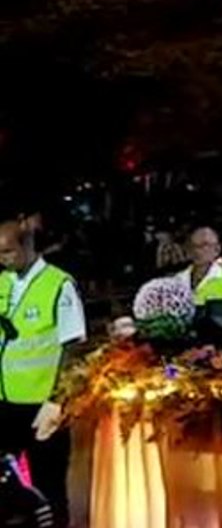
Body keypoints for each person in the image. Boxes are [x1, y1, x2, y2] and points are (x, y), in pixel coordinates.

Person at [0, 220, 86, 528]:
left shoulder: (59, 284)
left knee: (49, 487)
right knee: (7, 486)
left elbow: (73, 346)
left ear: (28, 246)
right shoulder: (3, 282)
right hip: (5, 402)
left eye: (8, 251)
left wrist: (57, 400)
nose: (3, 259)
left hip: (43, 406)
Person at [175, 227, 222, 305]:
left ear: (217, 249)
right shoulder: (177, 281)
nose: (197, 251)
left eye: (204, 245)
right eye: (194, 245)